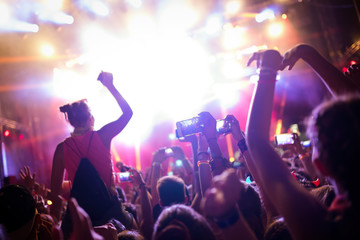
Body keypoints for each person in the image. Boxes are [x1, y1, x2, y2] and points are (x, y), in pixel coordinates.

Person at [246, 49, 360, 239]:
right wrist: (307, 53)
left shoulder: (325, 228)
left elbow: (257, 141)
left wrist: (267, 70)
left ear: (321, 166)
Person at [50, 72, 133, 225]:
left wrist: (55, 223)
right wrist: (110, 86)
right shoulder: (102, 136)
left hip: (82, 216)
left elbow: (54, 193)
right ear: (90, 118)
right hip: (110, 212)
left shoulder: (62, 149)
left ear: (71, 121)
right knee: (134, 228)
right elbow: (128, 113)